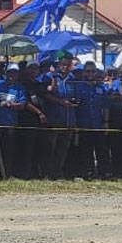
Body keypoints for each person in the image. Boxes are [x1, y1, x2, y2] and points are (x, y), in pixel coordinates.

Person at [42, 52, 78, 180]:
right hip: (54, 118)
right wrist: (61, 102)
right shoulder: (50, 76)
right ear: (58, 64)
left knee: (63, 149)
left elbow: (76, 95)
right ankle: (47, 173)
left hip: (69, 118)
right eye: (63, 64)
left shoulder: (72, 78)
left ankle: (58, 173)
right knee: (50, 148)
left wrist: (74, 101)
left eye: (67, 64)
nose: (65, 67)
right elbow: (45, 94)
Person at [0, 62, 27, 179]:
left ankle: (6, 174)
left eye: (15, 73)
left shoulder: (19, 88)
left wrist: (11, 105)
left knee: (8, 150)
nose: (12, 75)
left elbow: (22, 104)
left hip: (10, 123)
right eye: (10, 72)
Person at [74, 61, 109, 179]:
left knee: (101, 150)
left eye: (92, 71)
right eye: (88, 71)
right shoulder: (78, 87)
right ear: (84, 72)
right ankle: (88, 172)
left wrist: (106, 122)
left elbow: (105, 107)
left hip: (98, 124)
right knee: (85, 150)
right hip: (84, 124)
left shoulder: (101, 88)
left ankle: (104, 172)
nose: (90, 74)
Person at [15, 60, 48, 179]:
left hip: (41, 121)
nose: (33, 70)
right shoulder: (23, 84)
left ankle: (37, 173)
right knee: (27, 148)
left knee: (39, 148)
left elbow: (45, 97)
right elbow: (26, 102)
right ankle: (25, 174)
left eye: (36, 68)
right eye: (31, 68)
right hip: (27, 119)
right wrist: (39, 113)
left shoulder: (39, 84)